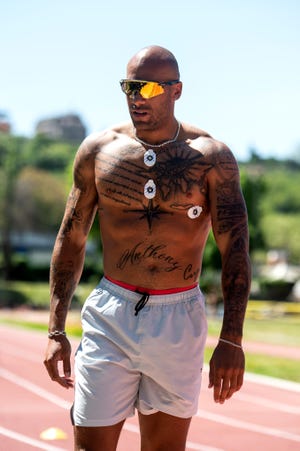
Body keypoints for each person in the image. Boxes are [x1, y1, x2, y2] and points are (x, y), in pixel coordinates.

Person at [44, 45, 251, 451]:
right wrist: (55, 328)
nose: (138, 97)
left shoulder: (212, 158)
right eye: (131, 86)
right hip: (112, 311)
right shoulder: (99, 152)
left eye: (150, 87)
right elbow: (71, 239)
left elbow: (235, 250)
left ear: (176, 90)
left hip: (178, 317)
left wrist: (232, 339)